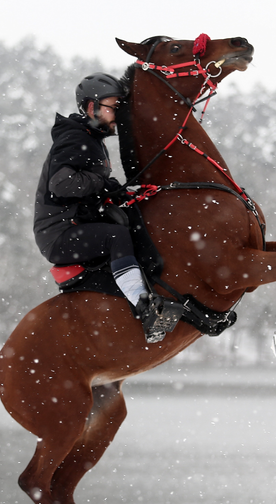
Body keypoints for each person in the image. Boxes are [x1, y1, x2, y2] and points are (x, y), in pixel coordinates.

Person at [33, 72, 166, 342]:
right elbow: (62, 184)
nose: (118, 114)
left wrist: (121, 191)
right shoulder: (74, 137)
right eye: (113, 107)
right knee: (115, 235)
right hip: (59, 235)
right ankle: (144, 308)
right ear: (92, 107)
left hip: (74, 226)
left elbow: (93, 184)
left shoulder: (91, 139)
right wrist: (104, 185)